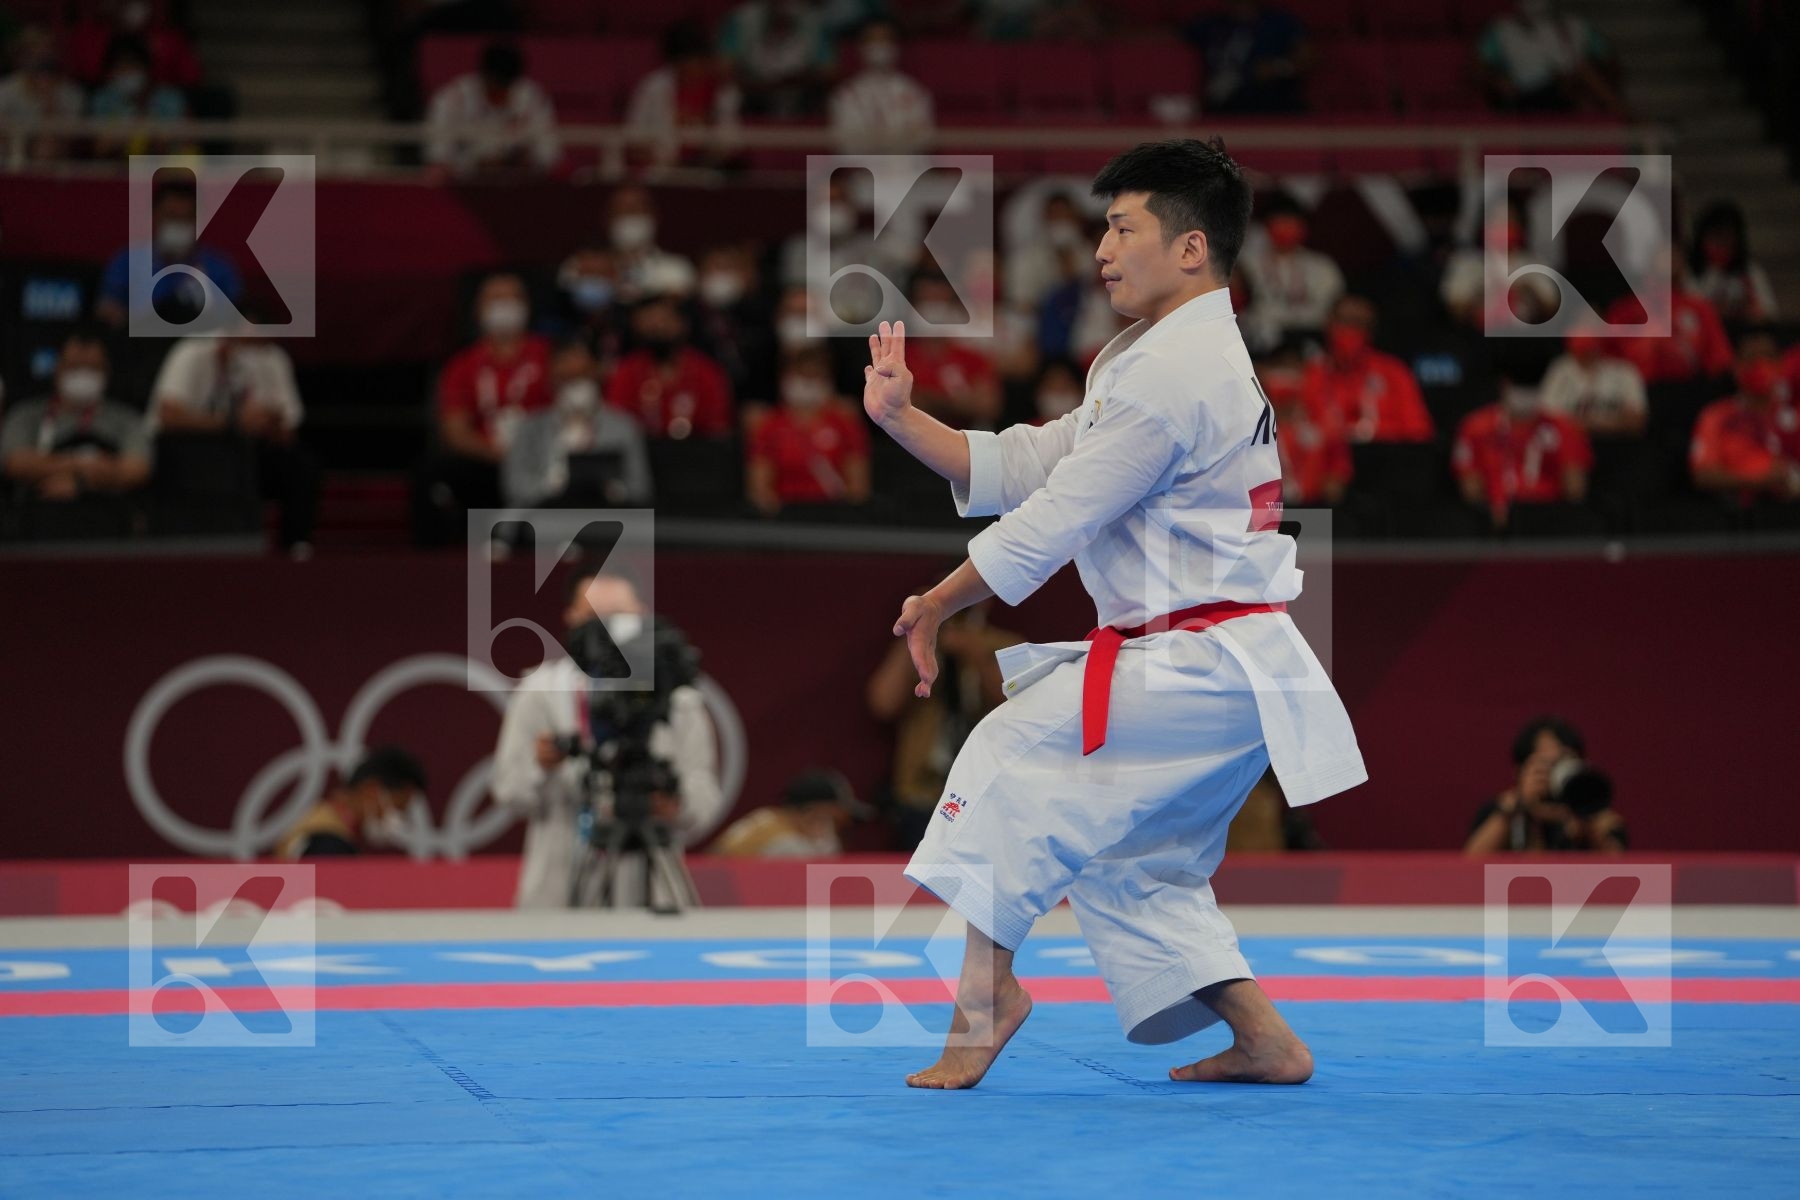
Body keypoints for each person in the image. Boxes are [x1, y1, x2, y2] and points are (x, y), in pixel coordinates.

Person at [865, 138, 1365, 1089]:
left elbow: (1055, 520)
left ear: (1189, 248)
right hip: (1218, 661)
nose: (1101, 247)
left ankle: (985, 1003)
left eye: (1122, 225)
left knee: (1003, 756)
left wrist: (936, 602)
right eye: (1103, 225)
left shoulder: (1175, 378)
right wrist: (901, 419)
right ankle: (1265, 1039)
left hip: (1199, 659)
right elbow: (1025, 464)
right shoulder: (1150, 358)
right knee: (1138, 861)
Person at [491, 568, 720, 909]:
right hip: (560, 890)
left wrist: (675, 803)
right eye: (594, 620)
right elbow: (509, 791)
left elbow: (705, 797)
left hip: (653, 893)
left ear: (643, 616)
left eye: (619, 618)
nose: (609, 633)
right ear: (570, 619)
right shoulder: (539, 693)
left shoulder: (677, 698)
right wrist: (540, 765)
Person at [149, 312, 320, 554]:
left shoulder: (268, 358)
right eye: (244, 342)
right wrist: (230, 423)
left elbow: (288, 427)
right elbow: (169, 415)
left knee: (297, 462)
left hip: (243, 452)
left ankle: (296, 545)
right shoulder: (192, 352)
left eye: (256, 343)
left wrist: (269, 422)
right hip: (190, 450)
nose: (250, 351)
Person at [866, 592, 1020, 850]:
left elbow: (1016, 705)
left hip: (985, 789)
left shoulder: (1002, 644)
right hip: (921, 791)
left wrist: (975, 654)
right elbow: (883, 703)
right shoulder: (918, 645)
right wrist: (917, 634)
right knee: (918, 883)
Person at [413, 273, 553, 546]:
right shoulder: (462, 366)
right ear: (478, 310)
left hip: (540, 460)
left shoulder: (549, 355)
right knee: (430, 471)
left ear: (527, 306)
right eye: (495, 299)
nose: (504, 305)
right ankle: (428, 563)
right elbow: (455, 430)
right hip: (486, 460)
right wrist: (495, 453)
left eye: (511, 298)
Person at [1, 331, 151, 503]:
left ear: (107, 372)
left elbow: (137, 470)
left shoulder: (127, 418)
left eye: (92, 368)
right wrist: (88, 463)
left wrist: (81, 483)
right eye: (75, 367)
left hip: (108, 515)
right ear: (57, 368)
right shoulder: (26, 414)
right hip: (37, 512)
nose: (83, 376)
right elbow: (15, 463)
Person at [503, 339, 653, 508]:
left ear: (598, 374)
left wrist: (614, 490)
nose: (576, 388)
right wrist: (550, 486)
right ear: (551, 378)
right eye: (567, 379)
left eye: (583, 377)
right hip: (546, 519)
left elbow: (641, 489)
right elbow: (514, 487)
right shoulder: (530, 427)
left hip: (606, 521)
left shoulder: (624, 427)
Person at [95, 179, 244, 332]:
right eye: (171, 217)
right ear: (155, 216)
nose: (178, 225)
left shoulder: (220, 269)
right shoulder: (126, 263)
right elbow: (107, 311)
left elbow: (234, 321)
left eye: (186, 219)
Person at [1463, 716, 1625, 854]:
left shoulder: (1594, 813)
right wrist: (1518, 807)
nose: (1554, 773)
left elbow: (1619, 873)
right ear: (1520, 771)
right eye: (1546, 764)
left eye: (1563, 763)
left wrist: (1587, 822)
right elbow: (1468, 866)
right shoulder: (1502, 811)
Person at [1451, 380, 1593, 531]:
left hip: (1550, 518)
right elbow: (1470, 488)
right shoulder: (1475, 426)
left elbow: (1576, 489)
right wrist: (1491, 512)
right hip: (1494, 517)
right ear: (1504, 387)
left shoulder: (1564, 427)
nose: (1525, 396)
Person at [746, 346, 870, 513]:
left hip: (834, 514)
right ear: (786, 379)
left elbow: (857, 488)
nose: (807, 384)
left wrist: (843, 516)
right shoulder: (769, 425)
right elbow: (760, 487)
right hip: (784, 514)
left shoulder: (845, 423)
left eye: (814, 377)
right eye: (802, 376)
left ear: (827, 381)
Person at [1300, 295, 1434, 444]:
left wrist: (1376, 433)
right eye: (1344, 322)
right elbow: (1297, 432)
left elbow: (1418, 431)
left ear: (1370, 332)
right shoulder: (1310, 374)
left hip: (1386, 458)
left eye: (1358, 324)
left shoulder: (1394, 372)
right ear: (1329, 324)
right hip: (1329, 460)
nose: (1349, 331)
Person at [424, 39, 561, 178]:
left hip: (519, 184)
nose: (502, 92)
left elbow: (550, 154)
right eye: (496, 85)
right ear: (483, 75)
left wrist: (529, 161)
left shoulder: (532, 97)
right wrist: (473, 164)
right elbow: (438, 157)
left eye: (507, 85)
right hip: (465, 185)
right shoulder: (450, 99)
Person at [1689, 333, 1800, 504]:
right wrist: (1760, 482)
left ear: (1780, 364)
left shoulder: (1794, 411)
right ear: (1736, 366)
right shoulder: (1716, 415)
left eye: (1767, 357)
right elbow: (1703, 475)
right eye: (1750, 358)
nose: (1759, 364)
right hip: (1743, 517)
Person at [624, 20, 743, 170]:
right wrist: (663, 160)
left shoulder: (722, 91)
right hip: (663, 172)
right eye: (685, 63)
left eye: (697, 61)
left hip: (708, 173)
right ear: (674, 62)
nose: (693, 69)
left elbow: (732, 142)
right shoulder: (652, 88)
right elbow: (634, 143)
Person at [275, 746, 429, 859]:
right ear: (372, 791)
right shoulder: (329, 845)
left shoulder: (316, 822)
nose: (398, 818)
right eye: (398, 808)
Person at [1476, 0, 1622, 115]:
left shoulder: (1576, 25)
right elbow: (1478, 67)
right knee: (1580, 74)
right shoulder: (1501, 30)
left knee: (1581, 81)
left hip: (1563, 87)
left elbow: (1610, 60)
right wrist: (1497, 81)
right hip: (1525, 94)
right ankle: (1622, 113)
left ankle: (1614, 115)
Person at [1236, 194, 1344, 346]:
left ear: (1304, 228)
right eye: (1280, 223)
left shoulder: (1322, 266)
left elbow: (1335, 308)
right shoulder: (1247, 263)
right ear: (1267, 226)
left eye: (1292, 223)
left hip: (1311, 336)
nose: (1286, 229)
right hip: (1260, 337)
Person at [1183, 1, 1313, 115]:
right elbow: (1172, 41)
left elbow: (1309, 58)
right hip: (1219, 103)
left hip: (1271, 101)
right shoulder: (1208, 23)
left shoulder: (1279, 22)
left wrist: (1278, 67)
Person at [829, 18, 933, 154]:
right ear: (861, 47)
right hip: (864, 170)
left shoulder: (914, 91)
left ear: (895, 46)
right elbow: (845, 143)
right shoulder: (846, 94)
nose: (879, 46)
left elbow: (924, 138)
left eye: (885, 40)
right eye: (873, 40)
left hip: (908, 169)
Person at [717, 0, 835, 118]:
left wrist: (792, 80)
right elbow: (724, 68)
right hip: (753, 96)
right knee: (728, 96)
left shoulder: (813, 22)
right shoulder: (743, 19)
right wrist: (761, 85)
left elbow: (829, 72)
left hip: (801, 98)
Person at [712, 768, 869, 857]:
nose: (833, 826)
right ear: (812, 812)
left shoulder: (825, 837)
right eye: (829, 817)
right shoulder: (773, 834)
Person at [1537, 323, 1648, 438]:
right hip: (1573, 442)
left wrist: (1589, 424)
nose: (1587, 355)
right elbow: (1547, 418)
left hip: (1618, 444)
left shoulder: (1624, 371)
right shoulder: (1560, 370)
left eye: (1589, 349)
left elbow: (1637, 421)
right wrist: (1608, 422)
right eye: (1581, 351)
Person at [1687, 202, 1779, 329]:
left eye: (1726, 239)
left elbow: (1769, 312)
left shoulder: (1749, 271)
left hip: (1742, 336)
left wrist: (1749, 311)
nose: (1721, 245)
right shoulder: (1691, 273)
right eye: (1715, 238)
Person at [0, 26, 86, 161]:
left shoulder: (72, 93)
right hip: (11, 152)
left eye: (47, 49)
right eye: (34, 50)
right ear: (22, 56)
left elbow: (69, 139)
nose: (41, 56)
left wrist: (50, 101)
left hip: (50, 158)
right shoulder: (5, 89)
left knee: (46, 146)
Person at [604, 185, 697, 303]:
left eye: (637, 209)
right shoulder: (592, 269)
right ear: (608, 220)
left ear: (654, 217)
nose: (630, 216)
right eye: (622, 211)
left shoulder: (677, 270)